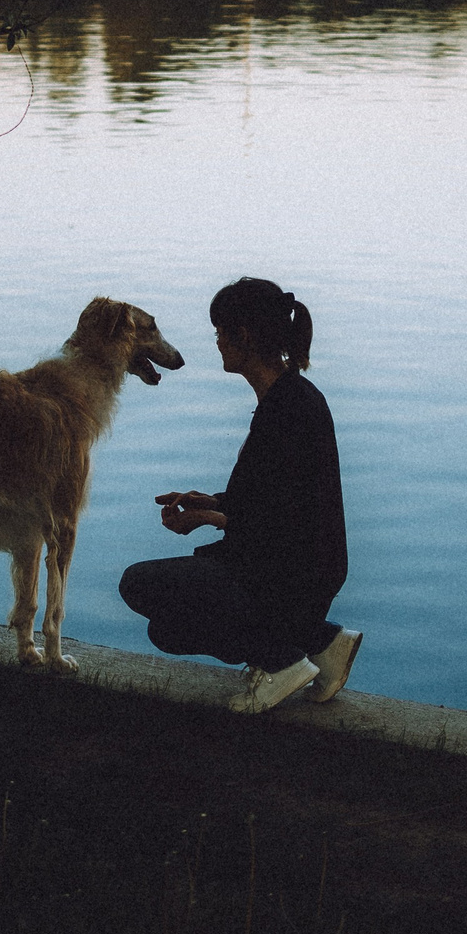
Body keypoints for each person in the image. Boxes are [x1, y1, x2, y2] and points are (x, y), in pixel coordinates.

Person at [118, 278, 362, 714]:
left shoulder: (287, 410)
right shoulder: (289, 399)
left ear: (243, 337)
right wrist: (210, 503)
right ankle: (322, 643)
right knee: (165, 630)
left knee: (138, 584)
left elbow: (280, 525)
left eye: (219, 333)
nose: (216, 344)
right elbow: (270, 500)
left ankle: (283, 663)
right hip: (298, 573)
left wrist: (213, 520)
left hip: (293, 578)